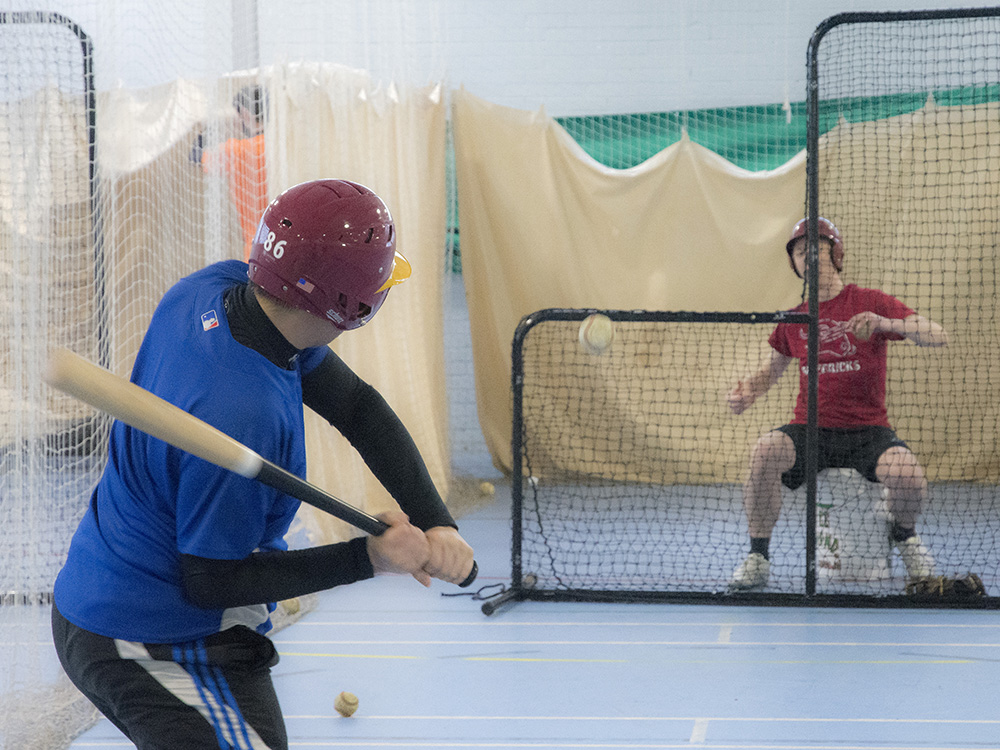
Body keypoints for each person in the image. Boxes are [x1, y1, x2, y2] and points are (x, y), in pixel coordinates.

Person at [52, 179, 475, 749]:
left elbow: (357, 407)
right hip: (153, 637)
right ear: (355, 305)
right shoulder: (242, 411)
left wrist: (435, 519)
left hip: (115, 594)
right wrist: (369, 557)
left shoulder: (216, 289)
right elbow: (211, 581)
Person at [726, 217, 948, 591]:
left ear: (837, 253)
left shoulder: (869, 302)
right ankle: (758, 555)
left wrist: (883, 323)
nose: (808, 256)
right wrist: (747, 392)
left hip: (868, 431)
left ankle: (904, 536)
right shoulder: (795, 319)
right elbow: (771, 370)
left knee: (909, 476)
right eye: (800, 251)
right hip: (811, 430)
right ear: (794, 263)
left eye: (817, 247)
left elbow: (936, 335)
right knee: (764, 452)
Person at [191, 84, 270, 261]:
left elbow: (194, 155)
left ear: (245, 113)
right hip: (286, 244)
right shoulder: (283, 146)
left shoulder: (237, 150)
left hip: (256, 249)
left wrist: (212, 123)